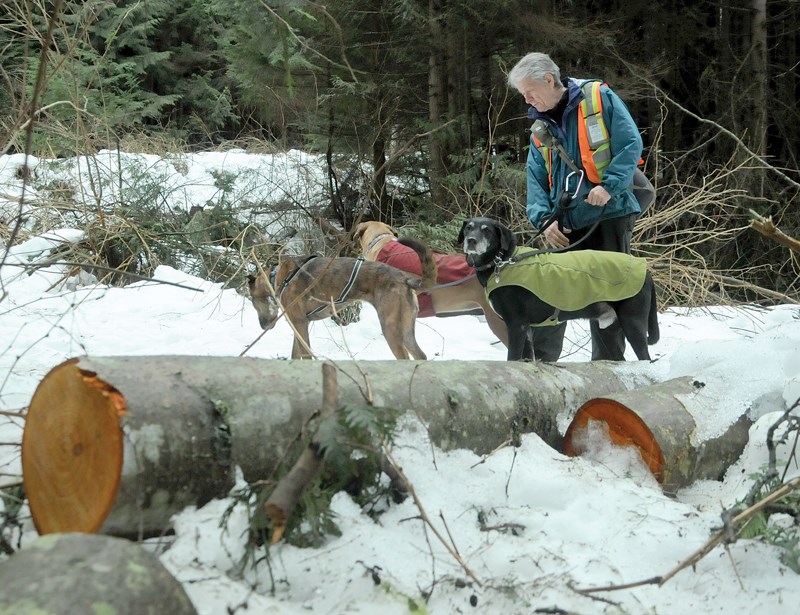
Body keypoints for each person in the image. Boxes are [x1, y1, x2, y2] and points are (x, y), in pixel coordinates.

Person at [507, 52, 644, 362]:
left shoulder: (598, 98)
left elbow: (630, 142)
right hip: (565, 223)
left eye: (530, 92)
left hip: (610, 214)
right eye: (523, 95)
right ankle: (540, 367)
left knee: (609, 294)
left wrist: (608, 186)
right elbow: (536, 180)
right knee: (551, 293)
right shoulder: (540, 129)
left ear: (549, 80)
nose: (527, 101)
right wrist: (544, 221)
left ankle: (609, 368)